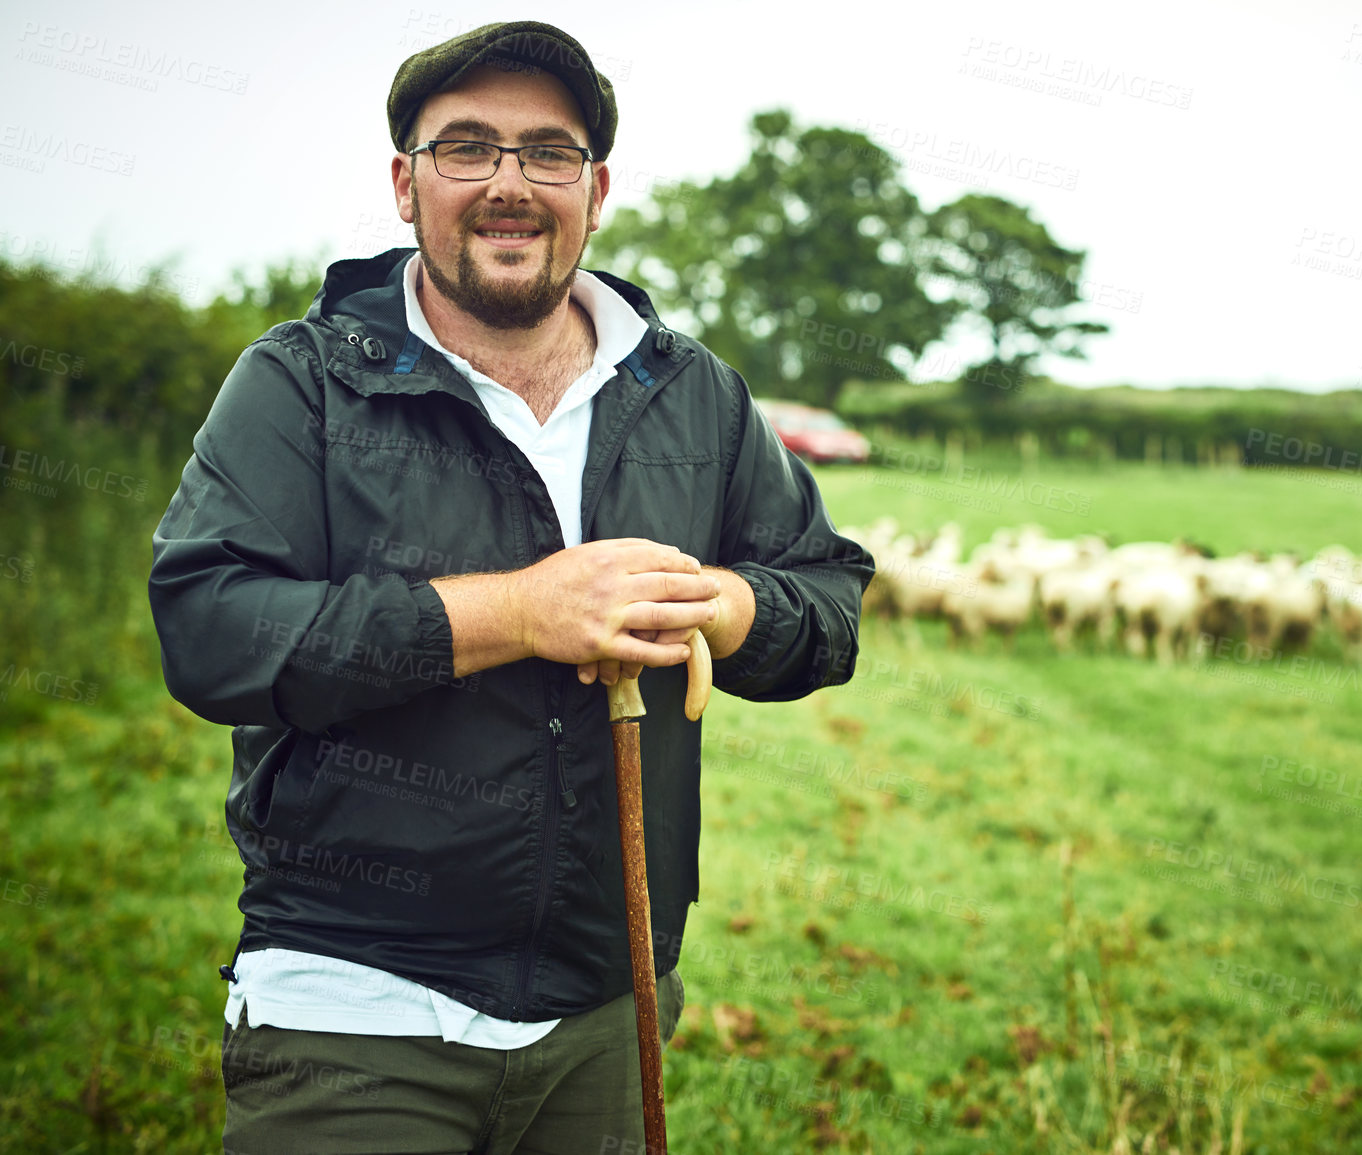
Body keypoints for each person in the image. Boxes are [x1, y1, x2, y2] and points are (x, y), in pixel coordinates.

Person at [148, 20, 871, 1154]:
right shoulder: (301, 384)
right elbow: (210, 631)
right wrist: (519, 612)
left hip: (608, 1005)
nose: (509, 186)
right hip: (355, 1012)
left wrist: (724, 610)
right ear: (405, 182)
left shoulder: (694, 395)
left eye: (548, 154)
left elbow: (828, 596)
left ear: (597, 190)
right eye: (466, 149)